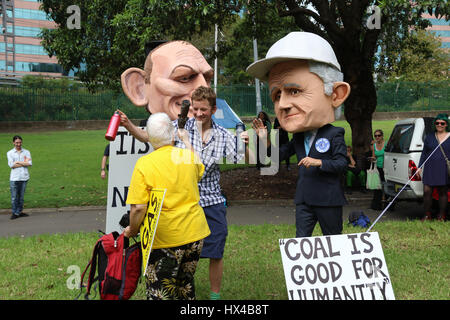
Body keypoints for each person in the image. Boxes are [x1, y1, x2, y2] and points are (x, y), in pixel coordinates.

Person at [247, 32, 350, 238]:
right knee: (301, 244)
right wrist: (264, 141)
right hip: (304, 200)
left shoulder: (334, 134)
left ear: (336, 94)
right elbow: (274, 159)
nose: (283, 105)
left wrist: (318, 162)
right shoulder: (299, 138)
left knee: (334, 242)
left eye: (294, 91)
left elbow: (342, 164)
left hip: (328, 200)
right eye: (277, 95)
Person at [172, 85, 250, 300]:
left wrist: (248, 144)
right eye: (195, 109)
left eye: (203, 109)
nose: (198, 113)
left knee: (216, 250)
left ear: (213, 110)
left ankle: (215, 297)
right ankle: (182, 291)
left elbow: (246, 159)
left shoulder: (223, 135)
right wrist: (129, 125)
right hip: (183, 200)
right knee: (181, 252)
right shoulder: (179, 127)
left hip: (212, 199)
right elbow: (149, 136)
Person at [124, 113, 210, 300]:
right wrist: (186, 141)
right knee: (184, 285)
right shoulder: (187, 157)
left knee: (160, 290)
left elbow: (139, 208)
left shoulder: (144, 164)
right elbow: (199, 168)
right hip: (195, 234)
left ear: (150, 138)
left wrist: (132, 229)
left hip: (165, 238)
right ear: (172, 135)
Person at [119, 40, 214, 142]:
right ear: (139, 90)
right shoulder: (175, 127)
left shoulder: (214, 131)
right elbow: (146, 137)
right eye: (185, 78)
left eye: (207, 79)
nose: (204, 89)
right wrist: (128, 124)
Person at [418, 113, 450, 221]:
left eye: (442, 123)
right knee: (427, 191)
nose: (439, 125)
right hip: (430, 168)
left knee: (442, 192)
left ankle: (441, 215)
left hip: (443, 168)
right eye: (437, 123)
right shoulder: (430, 137)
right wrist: (419, 166)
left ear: (446, 124)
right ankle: (427, 215)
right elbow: (424, 153)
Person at [7, 135, 32, 220]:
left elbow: (29, 163)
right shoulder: (9, 153)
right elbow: (12, 165)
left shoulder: (26, 152)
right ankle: (14, 212)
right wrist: (23, 163)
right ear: (13, 142)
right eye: (17, 142)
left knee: (21, 197)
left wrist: (17, 162)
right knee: (14, 197)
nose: (18, 144)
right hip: (14, 178)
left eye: (20, 142)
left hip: (24, 177)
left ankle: (20, 211)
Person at [369, 129, 385, 210]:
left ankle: (386, 205)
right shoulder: (374, 145)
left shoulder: (385, 144)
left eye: (379, 135)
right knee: (377, 186)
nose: (377, 137)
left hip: (385, 168)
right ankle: (376, 206)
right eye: (375, 136)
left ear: (382, 136)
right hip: (377, 167)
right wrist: (372, 158)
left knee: (385, 186)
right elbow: (374, 156)